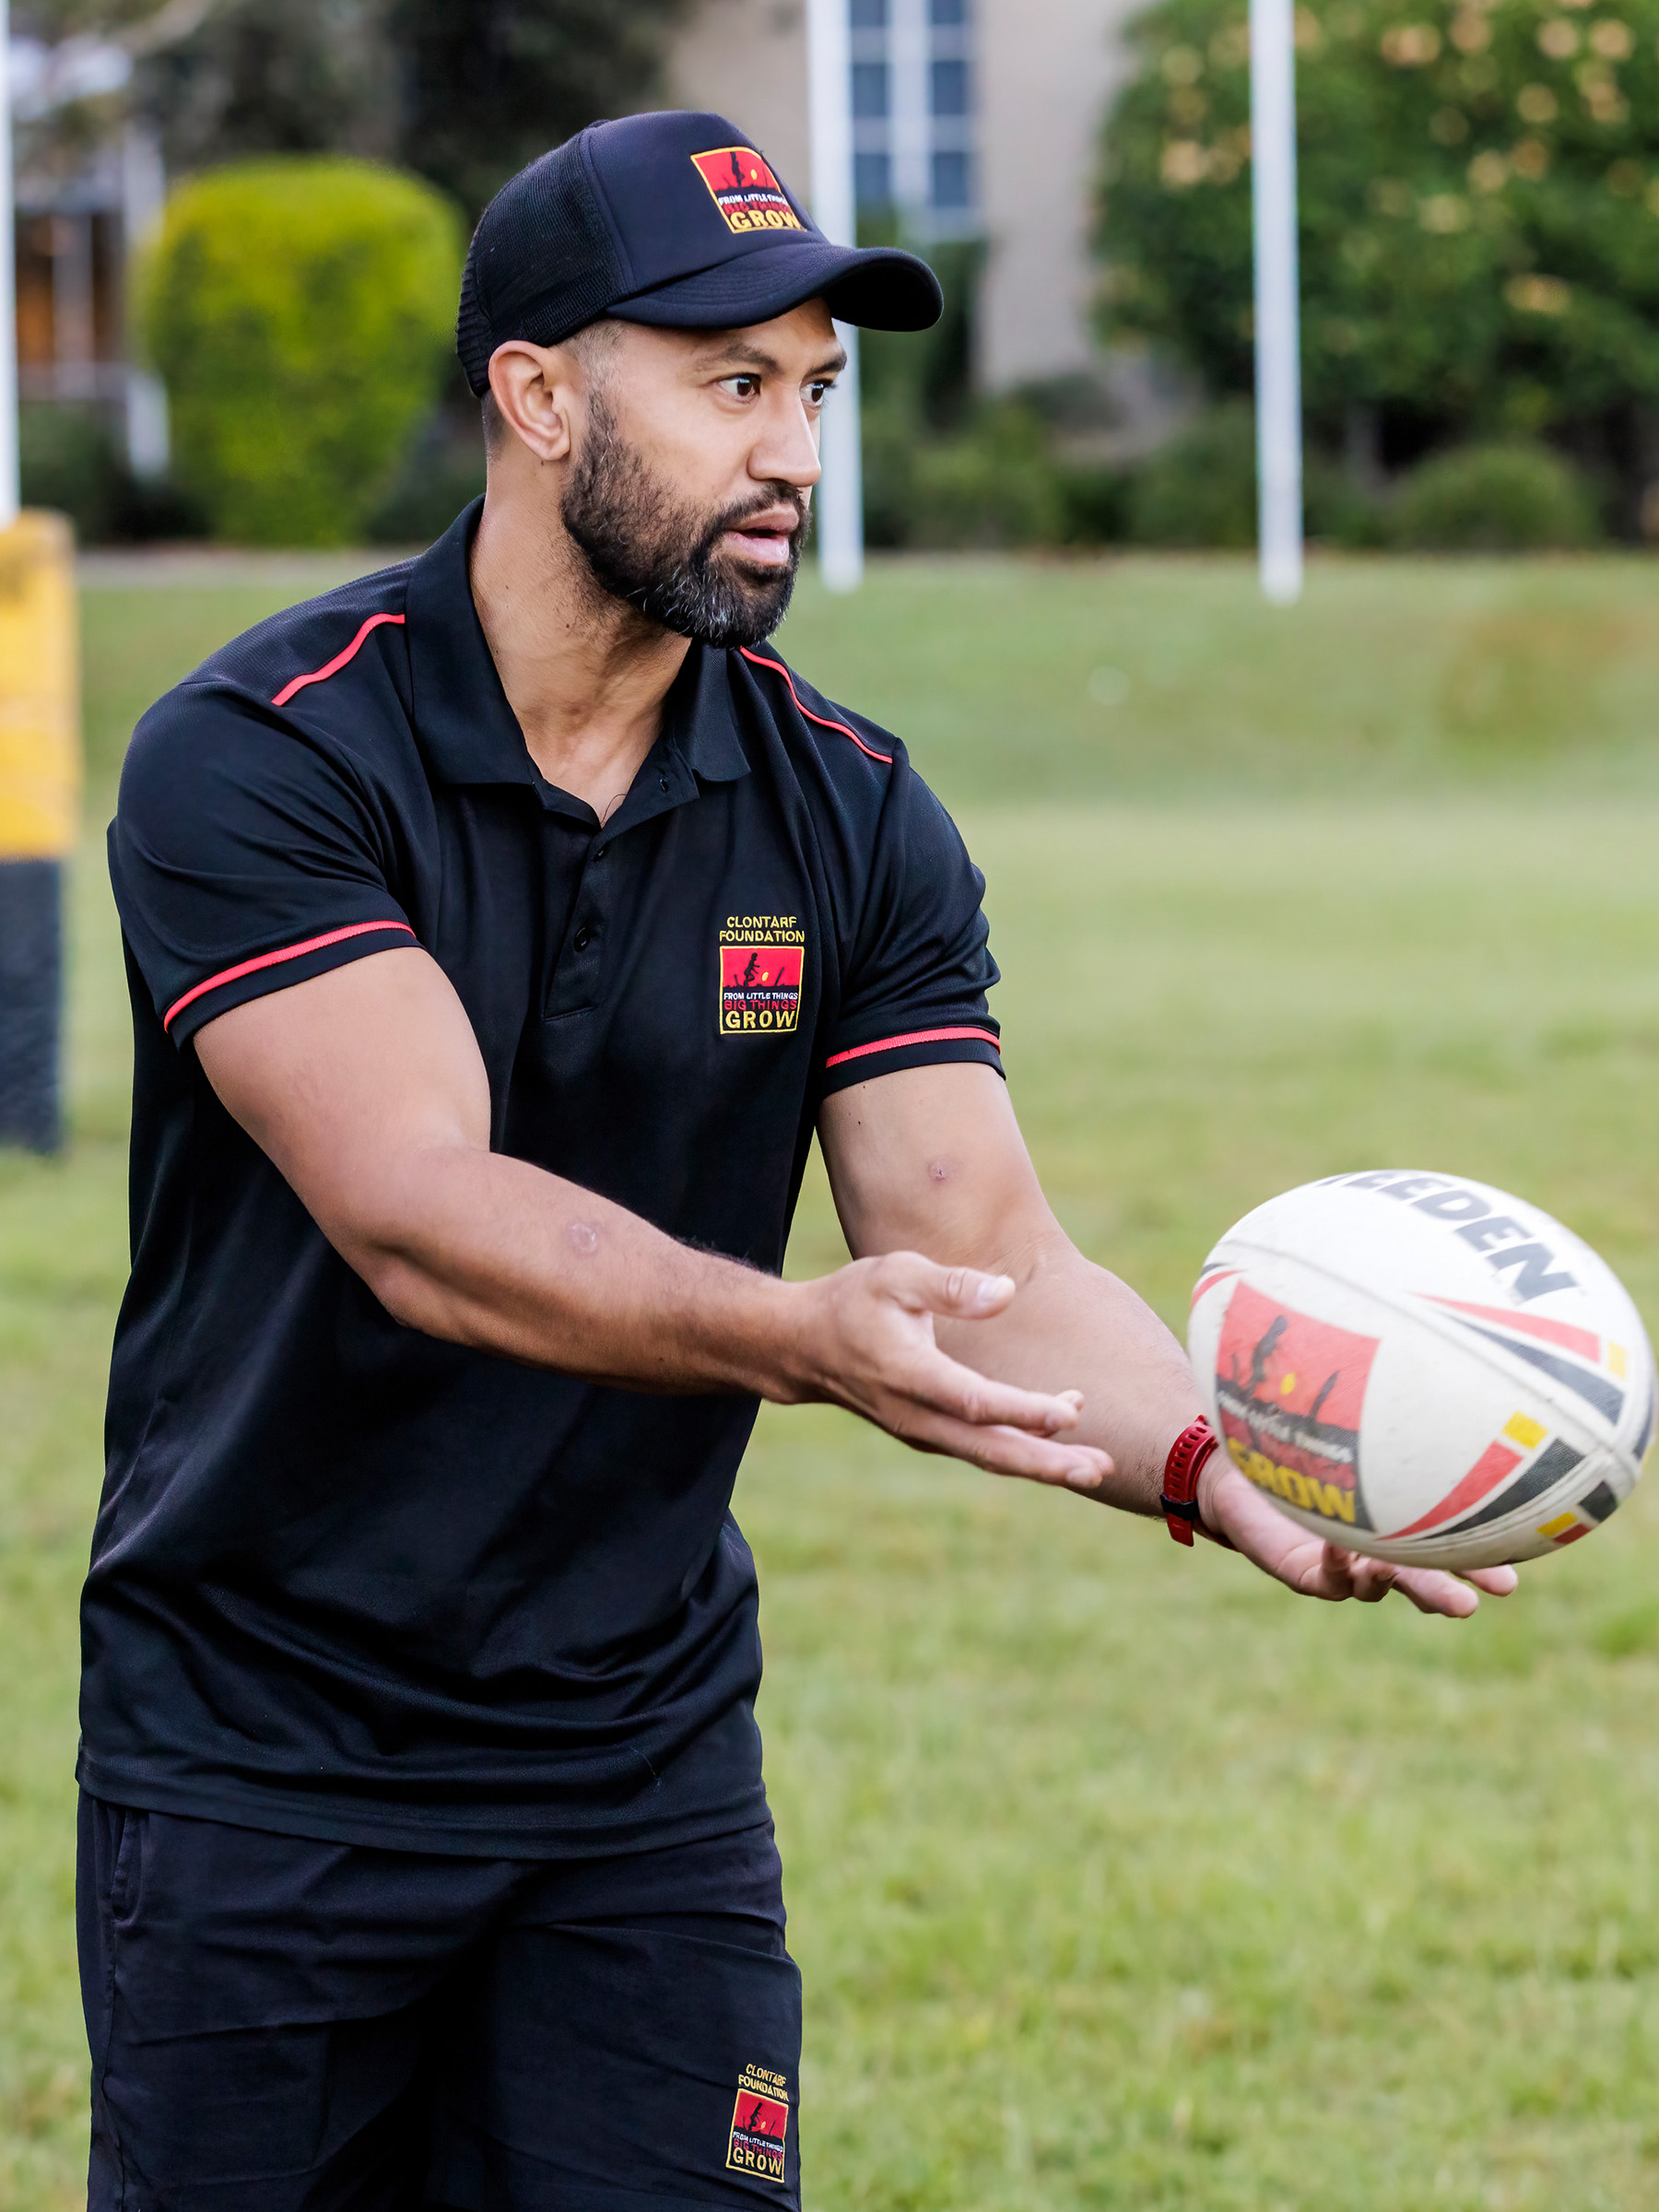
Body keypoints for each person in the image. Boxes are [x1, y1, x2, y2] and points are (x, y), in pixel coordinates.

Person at [79, 109, 1516, 2210]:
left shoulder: (848, 810)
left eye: (819, 393)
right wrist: (796, 1335)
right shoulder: (272, 750)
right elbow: (417, 1211)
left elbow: (983, 1247)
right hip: (268, 1763)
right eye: (732, 383)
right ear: (540, 395)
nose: (796, 457)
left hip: (633, 1776)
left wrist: (1225, 1467)